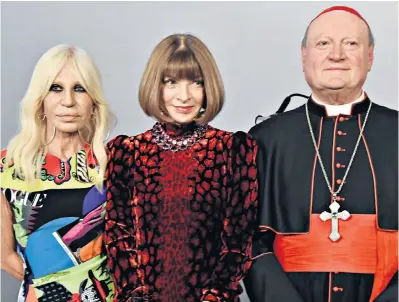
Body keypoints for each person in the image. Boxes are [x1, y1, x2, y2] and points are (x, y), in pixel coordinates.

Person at [244, 6, 398, 302]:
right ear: (304, 57)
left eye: (351, 44)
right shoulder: (265, 140)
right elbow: (249, 243)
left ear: (370, 57)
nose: (336, 54)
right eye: (323, 43)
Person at [104, 33, 259, 302]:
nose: (184, 96)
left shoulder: (232, 150)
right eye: (171, 82)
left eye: (196, 83)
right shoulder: (126, 152)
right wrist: (135, 296)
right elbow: (118, 235)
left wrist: (214, 296)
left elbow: (238, 240)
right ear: (156, 85)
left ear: (208, 87)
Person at [1, 44, 115, 302]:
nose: (68, 101)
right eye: (55, 88)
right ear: (40, 99)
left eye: (79, 88)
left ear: (93, 103)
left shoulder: (112, 165)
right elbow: (6, 257)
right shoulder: (7, 168)